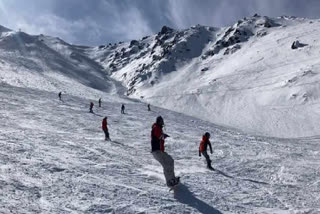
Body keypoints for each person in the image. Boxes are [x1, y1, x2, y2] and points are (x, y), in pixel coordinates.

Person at [151, 116, 179, 187]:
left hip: (160, 151)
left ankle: (172, 178)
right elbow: (158, 136)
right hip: (157, 151)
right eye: (161, 121)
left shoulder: (159, 128)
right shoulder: (156, 127)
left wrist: (163, 136)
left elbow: (160, 137)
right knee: (166, 165)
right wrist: (164, 136)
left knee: (170, 161)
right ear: (159, 121)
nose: (162, 122)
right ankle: (169, 182)